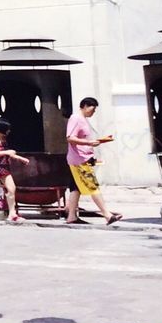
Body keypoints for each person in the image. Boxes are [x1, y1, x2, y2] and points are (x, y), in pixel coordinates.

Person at [65, 96, 123, 226]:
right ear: (85, 106)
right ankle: (107, 215)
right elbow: (70, 138)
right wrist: (89, 142)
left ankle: (71, 216)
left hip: (80, 158)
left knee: (75, 189)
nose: (94, 111)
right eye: (93, 108)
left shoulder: (83, 120)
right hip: (79, 160)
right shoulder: (76, 118)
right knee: (93, 187)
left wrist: (92, 144)